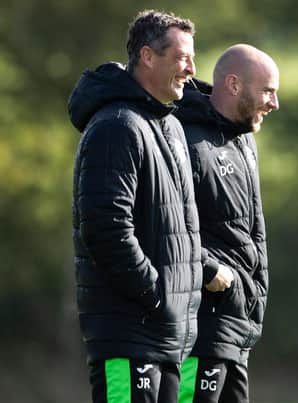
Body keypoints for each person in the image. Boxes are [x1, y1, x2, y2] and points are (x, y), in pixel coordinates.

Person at [68, 10, 203, 403]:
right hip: (130, 334)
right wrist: (157, 295)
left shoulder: (171, 127)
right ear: (147, 56)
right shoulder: (116, 126)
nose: (192, 70)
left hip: (167, 337)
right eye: (182, 58)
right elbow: (106, 229)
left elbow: (179, 229)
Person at [174, 44, 279, 403]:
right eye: (268, 91)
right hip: (201, 326)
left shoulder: (245, 140)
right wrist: (210, 271)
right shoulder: (182, 135)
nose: (274, 103)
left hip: (236, 326)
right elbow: (163, 221)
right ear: (234, 84)